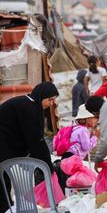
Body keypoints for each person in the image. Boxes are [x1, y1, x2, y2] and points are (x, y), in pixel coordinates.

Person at [0, 82, 59, 213]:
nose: (51, 104)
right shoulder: (28, 107)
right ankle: (5, 207)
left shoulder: (30, 104)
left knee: (3, 177)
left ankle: (6, 207)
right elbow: (35, 139)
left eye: (53, 100)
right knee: (2, 178)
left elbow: (33, 137)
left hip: (4, 144)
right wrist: (47, 165)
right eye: (50, 99)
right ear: (41, 95)